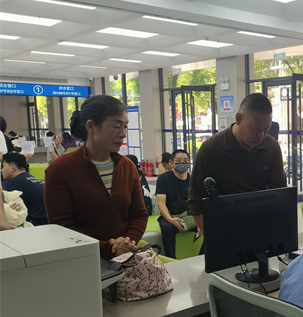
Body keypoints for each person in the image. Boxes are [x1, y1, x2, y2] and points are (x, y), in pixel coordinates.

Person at [44, 95, 148, 260]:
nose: (123, 134)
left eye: (125, 127)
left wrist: (127, 242)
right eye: (116, 126)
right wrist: (108, 249)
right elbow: (62, 227)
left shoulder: (127, 166)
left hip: (125, 259)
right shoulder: (60, 169)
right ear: (91, 126)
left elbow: (139, 214)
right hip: (82, 261)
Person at [188, 93, 286, 236]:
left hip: (261, 226)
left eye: (266, 129)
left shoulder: (271, 147)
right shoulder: (211, 149)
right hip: (223, 227)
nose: (261, 135)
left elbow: (280, 192)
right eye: (256, 129)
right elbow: (195, 201)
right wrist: (211, 234)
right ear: (239, 119)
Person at [156, 149, 196, 259]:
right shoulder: (163, 179)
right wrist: (170, 219)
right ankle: (171, 259)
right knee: (167, 228)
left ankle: (203, 256)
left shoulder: (193, 179)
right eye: (178, 161)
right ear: (171, 162)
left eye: (185, 161)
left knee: (211, 225)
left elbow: (197, 201)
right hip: (170, 215)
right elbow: (161, 203)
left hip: (189, 214)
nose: (182, 163)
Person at [1, 152, 47, 226]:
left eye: (3, 166)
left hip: (35, 225)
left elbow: (14, 212)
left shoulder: (14, 183)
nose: (1, 170)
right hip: (48, 221)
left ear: (13, 168)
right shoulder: (33, 179)